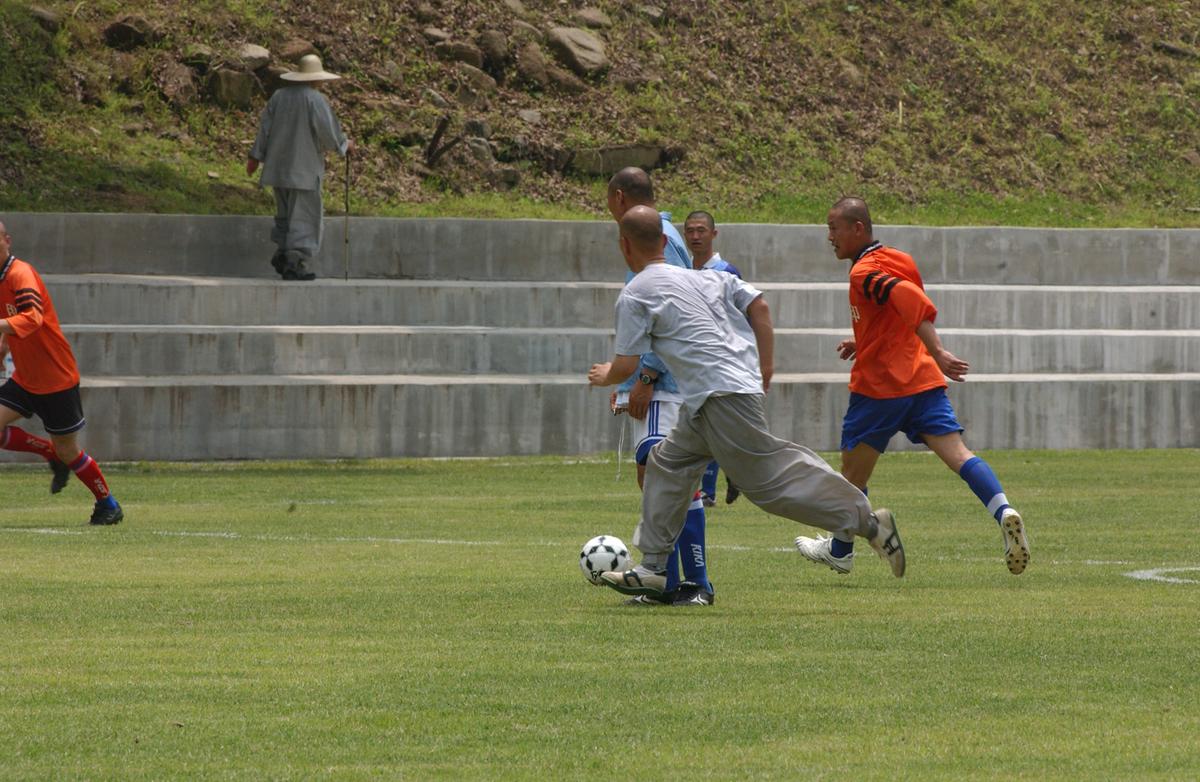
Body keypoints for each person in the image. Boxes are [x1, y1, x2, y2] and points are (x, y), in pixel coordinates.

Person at [587, 206, 905, 599]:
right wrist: (765, 366)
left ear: (623, 244)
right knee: (667, 464)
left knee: (770, 483)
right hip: (711, 395)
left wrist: (606, 375)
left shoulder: (635, 292)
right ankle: (653, 567)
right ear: (668, 241)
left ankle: (871, 524)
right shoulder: (703, 278)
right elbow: (759, 305)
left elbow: (627, 365)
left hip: (720, 395)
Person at [793, 196, 1030, 576]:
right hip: (921, 381)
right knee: (959, 455)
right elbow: (894, 313)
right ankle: (1003, 509)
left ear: (858, 229)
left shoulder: (863, 272)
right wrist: (865, 338)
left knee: (852, 477)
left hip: (880, 388)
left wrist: (937, 349)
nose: (829, 237)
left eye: (834, 228)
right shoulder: (901, 259)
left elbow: (906, 298)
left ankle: (843, 549)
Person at [604, 168, 713, 607]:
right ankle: (667, 581)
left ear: (618, 197)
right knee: (660, 480)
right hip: (661, 382)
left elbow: (671, 308)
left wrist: (645, 378)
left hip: (665, 384)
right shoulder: (661, 231)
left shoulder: (659, 237)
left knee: (668, 480)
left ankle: (689, 582)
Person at [0, 220, 123, 525]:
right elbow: (9, 317)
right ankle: (48, 452)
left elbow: (33, 318)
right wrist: (3, 347)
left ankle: (108, 504)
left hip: (55, 379)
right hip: (25, 378)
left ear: (7, 241)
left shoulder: (20, 274)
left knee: (69, 451)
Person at [248, 54, 354, 281]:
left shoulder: (279, 97)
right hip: (304, 169)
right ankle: (294, 261)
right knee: (305, 217)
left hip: (278, 168)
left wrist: (255, 156)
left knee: (285, 214)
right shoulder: (314, 100)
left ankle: (284, 252)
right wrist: (344, 145)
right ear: (315, 78)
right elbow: (328, 133)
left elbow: (264, 128)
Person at [683, 209, 741, 507]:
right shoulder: (683, 271)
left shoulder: (725, 271)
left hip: (719, 361)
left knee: (712, 423)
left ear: (713, 234)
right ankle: (727, 474)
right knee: (703, 424)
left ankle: (712, 487)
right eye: (690, 230)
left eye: (701, 230)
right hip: (692, 361)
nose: (695, 236)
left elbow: (737, 316)